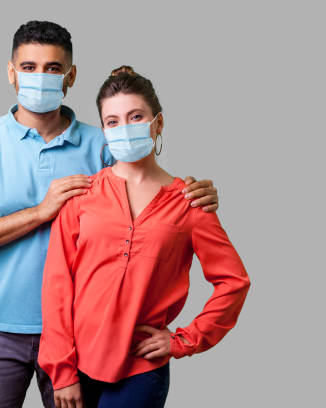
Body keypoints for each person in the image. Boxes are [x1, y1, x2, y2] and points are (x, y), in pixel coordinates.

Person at [0, 21, 219, 408]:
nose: (40, 77)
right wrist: (41, 212)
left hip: (84, 338)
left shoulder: (102, 142)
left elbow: (146, 195)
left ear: (70, 77)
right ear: (10, 72)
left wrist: (195, 194)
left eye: (53, 69)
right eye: (29, 66)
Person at [38, 66, 251, 408]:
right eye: (113, 121)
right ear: (104, 130)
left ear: (158, 123)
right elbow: (56, 286)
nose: (125, 128)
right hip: (76, 364)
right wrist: (61, 372)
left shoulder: (190, 203)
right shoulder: (82, 196)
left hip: (141, 368)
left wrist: (184, 340)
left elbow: (234, 282)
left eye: (136, 116)